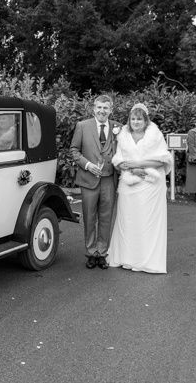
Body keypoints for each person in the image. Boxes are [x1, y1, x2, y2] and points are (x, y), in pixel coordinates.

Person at [108, 103, 172, 274]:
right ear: (129, 120)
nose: (136, 122)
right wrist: (130, 169)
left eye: (140, 119)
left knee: (148, 222)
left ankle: (147, 261)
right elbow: (118, 160)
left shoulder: (155, 135)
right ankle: (127, 258)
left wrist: (139, 165)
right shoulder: (123, 136)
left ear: (146, 120)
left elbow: (163, 160)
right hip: (129, 184)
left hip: (150, 184)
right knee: (128, 221)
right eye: (133, 119)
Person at [70, 95, 122, 270]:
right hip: (88, 179)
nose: (102, 111)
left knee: (106, 218)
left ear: (111, 109)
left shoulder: (118, 128)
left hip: (109, 179)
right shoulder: (82, 126)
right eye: (99, 107)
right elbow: (74, 150)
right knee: (90, 217)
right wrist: (87, 164)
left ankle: (102, 253)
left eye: (105, 108)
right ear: (93, 109)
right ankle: (91, 253)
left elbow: (124, 151)